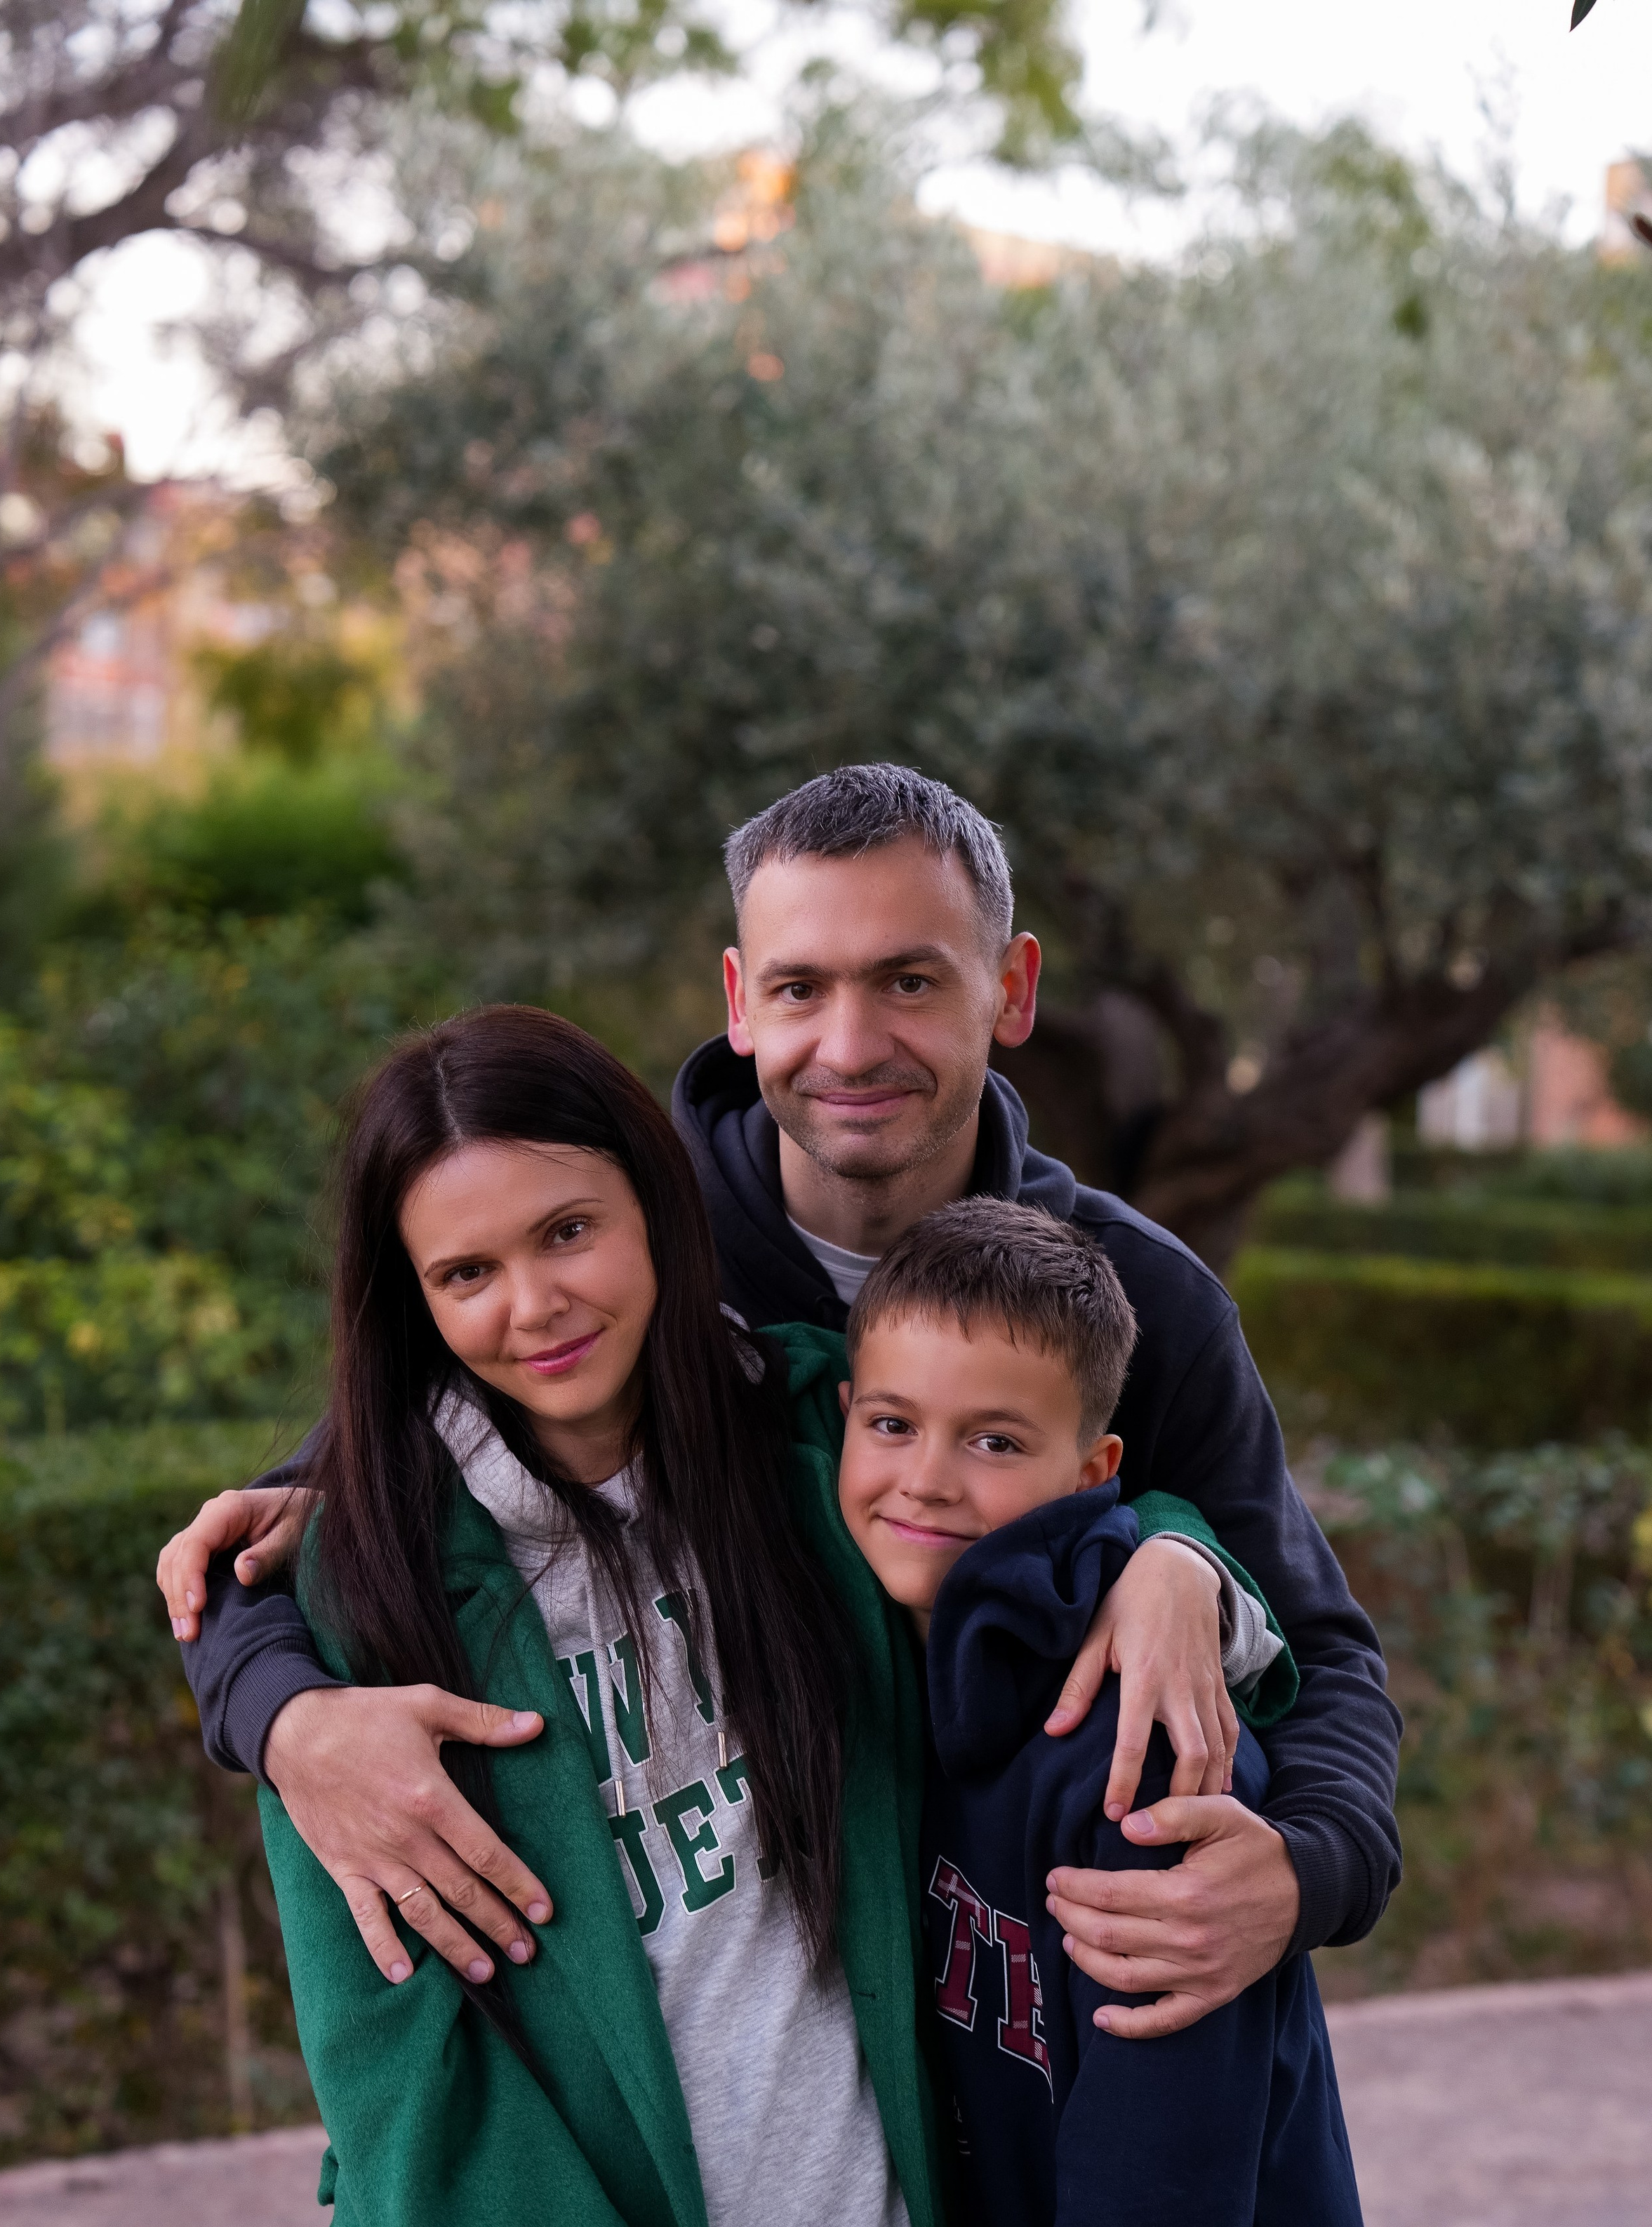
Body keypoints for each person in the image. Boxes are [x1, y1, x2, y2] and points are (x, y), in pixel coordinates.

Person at [155, 764, 1401, 2037]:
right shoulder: (618, 1263)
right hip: (775, 2039)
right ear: (743, 1003)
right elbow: (271, 1542)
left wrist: (1306, 1872)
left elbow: (1325, 1651)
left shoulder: (1142, 1299)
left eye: (911, 981)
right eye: (803, 988)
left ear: (1011, 990)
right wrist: (287, 1719)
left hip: (1041, 2023)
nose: (851, 1047)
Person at [269, 1004, 961, 2227]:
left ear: (652, 1201)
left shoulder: (824, 1449)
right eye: (465, 1274)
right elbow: (391, 2054)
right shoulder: (363, 1590)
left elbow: (1042, 1480)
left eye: (567, 1230)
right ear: (410, 1303)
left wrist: (1167, 1575)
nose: (532, 1305)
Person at [835, 1196, 1385, 2227]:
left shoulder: (1144, 1763)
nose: (927, 1478)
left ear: (1096, 1473)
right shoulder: (886, 1679)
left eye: (995, 1441)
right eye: (892, 1424)